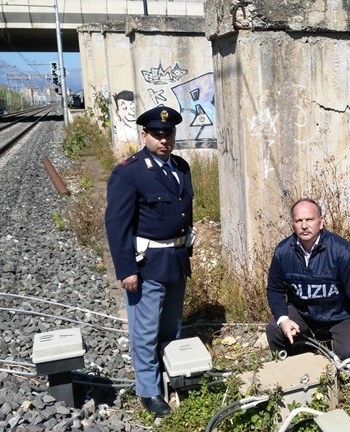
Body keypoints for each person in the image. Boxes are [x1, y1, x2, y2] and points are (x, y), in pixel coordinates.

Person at [105, 105, 195, 417]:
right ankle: (149, 391)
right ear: (144, 135)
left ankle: (174, 374)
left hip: (176, 260)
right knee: (144, 332)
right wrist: (127, 269)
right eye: (156, 134)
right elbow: (117, 225)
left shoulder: (181, 167)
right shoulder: (129, 172)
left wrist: (187, 251)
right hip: (147, 264)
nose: (163, 139)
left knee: (171, 326)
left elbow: (185, 214)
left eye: (168, 133)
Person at [266, 198, 350, 360]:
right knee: (274, 329)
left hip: (338, 314)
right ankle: (292, 370)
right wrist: (283, 319)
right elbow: (274, 289)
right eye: (299, 220)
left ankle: (336, 379)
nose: (304, 225)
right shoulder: (283, 252)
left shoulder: (341, 251)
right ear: (293, 225)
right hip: (302, 311)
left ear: (321, 222)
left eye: (310, 219)